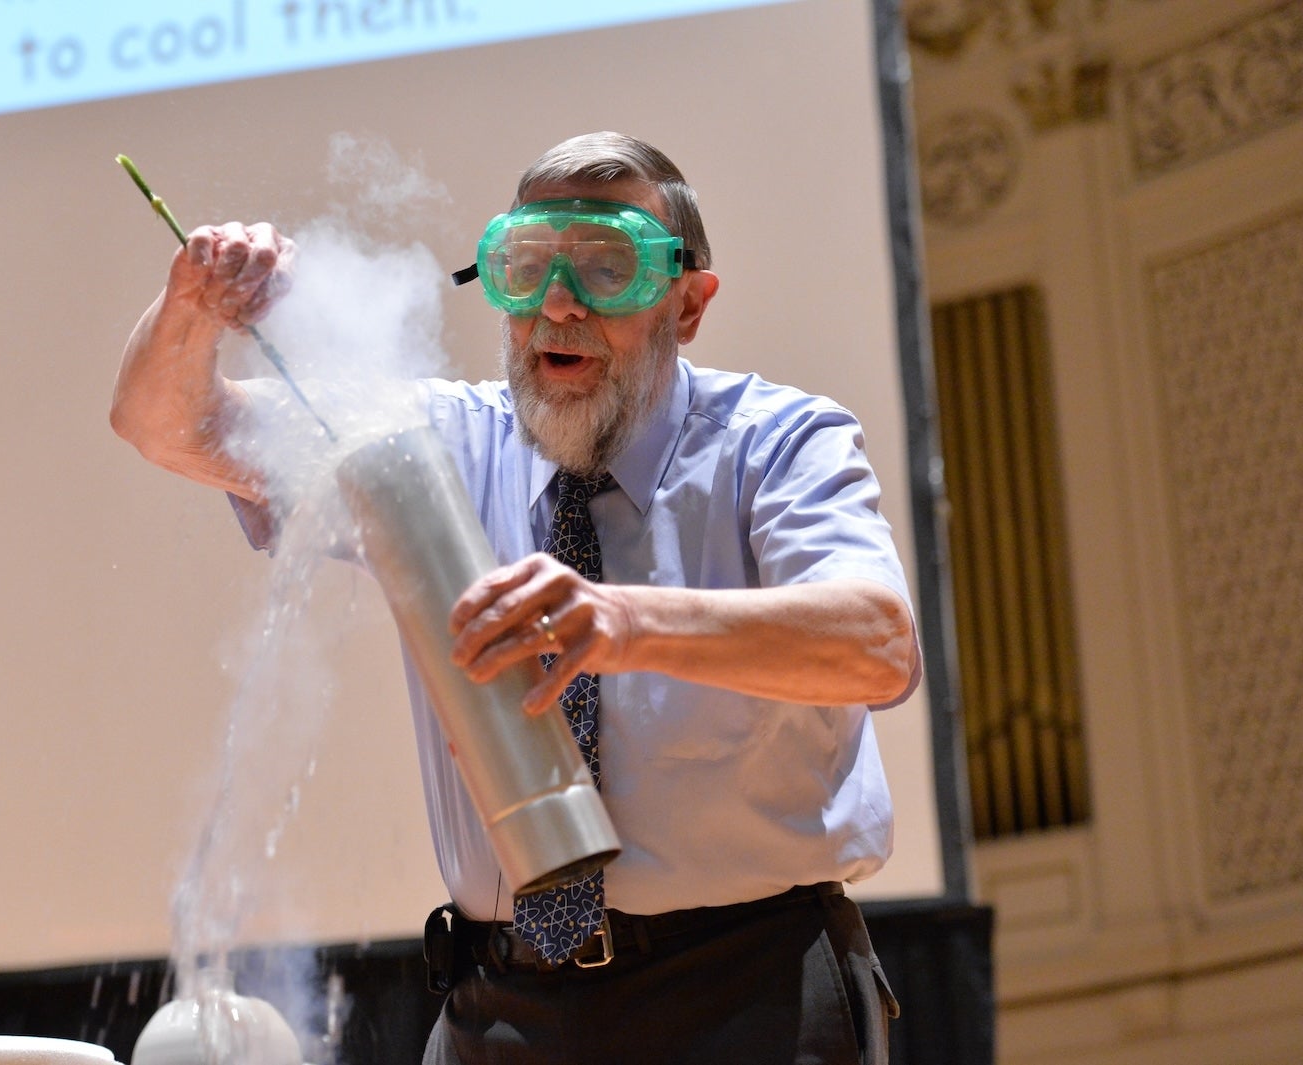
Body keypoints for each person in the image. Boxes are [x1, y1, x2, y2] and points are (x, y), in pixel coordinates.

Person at [112, 131, 918, 1065]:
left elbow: (878, 642)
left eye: (607, 270)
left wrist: (622, 622)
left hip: (747, 991)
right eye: (524, 268)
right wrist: (193, 309)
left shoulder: (775, 442)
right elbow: (166, 424)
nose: (558, 307)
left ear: (688, 304)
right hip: (501, 1000)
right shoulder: (432, 444)